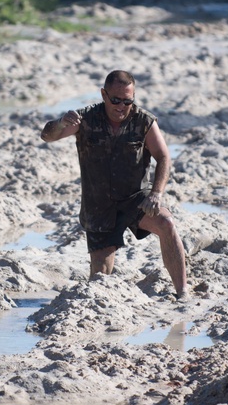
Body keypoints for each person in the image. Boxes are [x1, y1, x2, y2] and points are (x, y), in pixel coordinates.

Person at [41, 70, 188, 298]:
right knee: (100, 280)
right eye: (116, 100)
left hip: (135, 198)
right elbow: (47, 136)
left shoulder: (143, 121)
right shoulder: (85, 118)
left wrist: (156, 193)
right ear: (103, 94)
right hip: (99, 207)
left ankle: (183, 292)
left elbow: (163, 157)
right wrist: (61, 122)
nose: (121, 106)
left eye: (127, 101)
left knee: (166, 223)